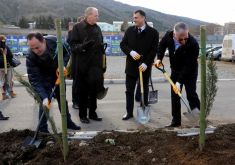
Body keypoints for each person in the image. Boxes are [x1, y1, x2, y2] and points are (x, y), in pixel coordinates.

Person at [26, 32, 81, 133]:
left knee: (62, 100)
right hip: (43, 78)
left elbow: (67, 50)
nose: (35, 51)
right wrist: (44, 97)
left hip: (57, 75)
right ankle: (42, 129)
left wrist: (62, 65)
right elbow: (34, 79)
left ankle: (68, 122)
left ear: (43, 41)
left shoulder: (55, 41)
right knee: (45, 104)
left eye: (37, 47)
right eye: (32, 48)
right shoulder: (30, 56)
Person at [154, 22, 200, 127]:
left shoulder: (193, 44)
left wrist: (179, 81)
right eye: (180, 39)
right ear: (174, 34)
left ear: (188, 33)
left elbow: (188, 65)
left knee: (191, 94)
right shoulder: (168, 36)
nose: (183, 41)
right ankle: (176, 121)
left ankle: (198, 119)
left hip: (190, 71)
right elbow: (161, 46)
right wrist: (159, 58)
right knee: (175, 96)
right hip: (175, 70)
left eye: (186, 38)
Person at [69, 7, 108, 124]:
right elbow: (72, 46)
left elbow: (101, 47)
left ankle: (92, 113)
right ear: (88, 15)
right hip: (82, 67)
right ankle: (82, 115)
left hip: (96, 67)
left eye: (97, 15)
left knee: (93, 91)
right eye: (96, 15)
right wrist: (83, 46)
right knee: (83, 92)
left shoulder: (97, 28)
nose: (98, 17)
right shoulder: (77, 28)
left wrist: (103, 64)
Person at [120, 10, 159, 120]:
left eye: (136, 18)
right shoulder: (130, 31)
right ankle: (129, 112)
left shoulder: (153, 33)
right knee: (129, 91)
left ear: (143, 18)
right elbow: (123, 44)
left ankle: (144, 111)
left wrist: (147, 63)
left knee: (144, 90)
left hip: (144, 67)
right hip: (131, 67)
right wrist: (130, 52)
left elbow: (154, 50)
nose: (134, 20)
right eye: (134, 17)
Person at [0, 35, 16, 100]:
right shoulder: (6, 47)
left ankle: (4, 94)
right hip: (7, 67)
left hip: (1, 68)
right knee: (9, 80)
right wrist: (4, 54)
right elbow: (11, 56)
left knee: (1, 81)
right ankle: (10, 93)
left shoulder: (5, 47)